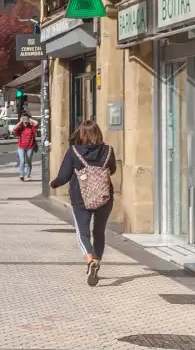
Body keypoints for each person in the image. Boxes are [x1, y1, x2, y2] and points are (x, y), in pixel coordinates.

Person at [50, 118, 117, 287]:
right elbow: (113, 170)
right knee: (99, 231)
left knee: (82, 232)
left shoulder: (74, 151)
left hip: (81, 198)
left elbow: (63, 176)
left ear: (81, 134)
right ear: (98, 133)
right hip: (104, 197)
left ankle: (89, 259)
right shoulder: (108, 150)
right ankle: (97, 262)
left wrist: (53, 184)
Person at [14, 114, 39, 181]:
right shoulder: (20, 129)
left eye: (26, 122)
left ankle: (28, 175)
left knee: (28, 161)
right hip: (21, 147)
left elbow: (36, 123)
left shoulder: (31, 128)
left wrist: (29, 118)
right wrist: (20, 121)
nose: (25, 123)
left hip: (30, 147)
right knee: (22, 161)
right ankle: (21, 175)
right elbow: (14, 129)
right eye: (24, 122)